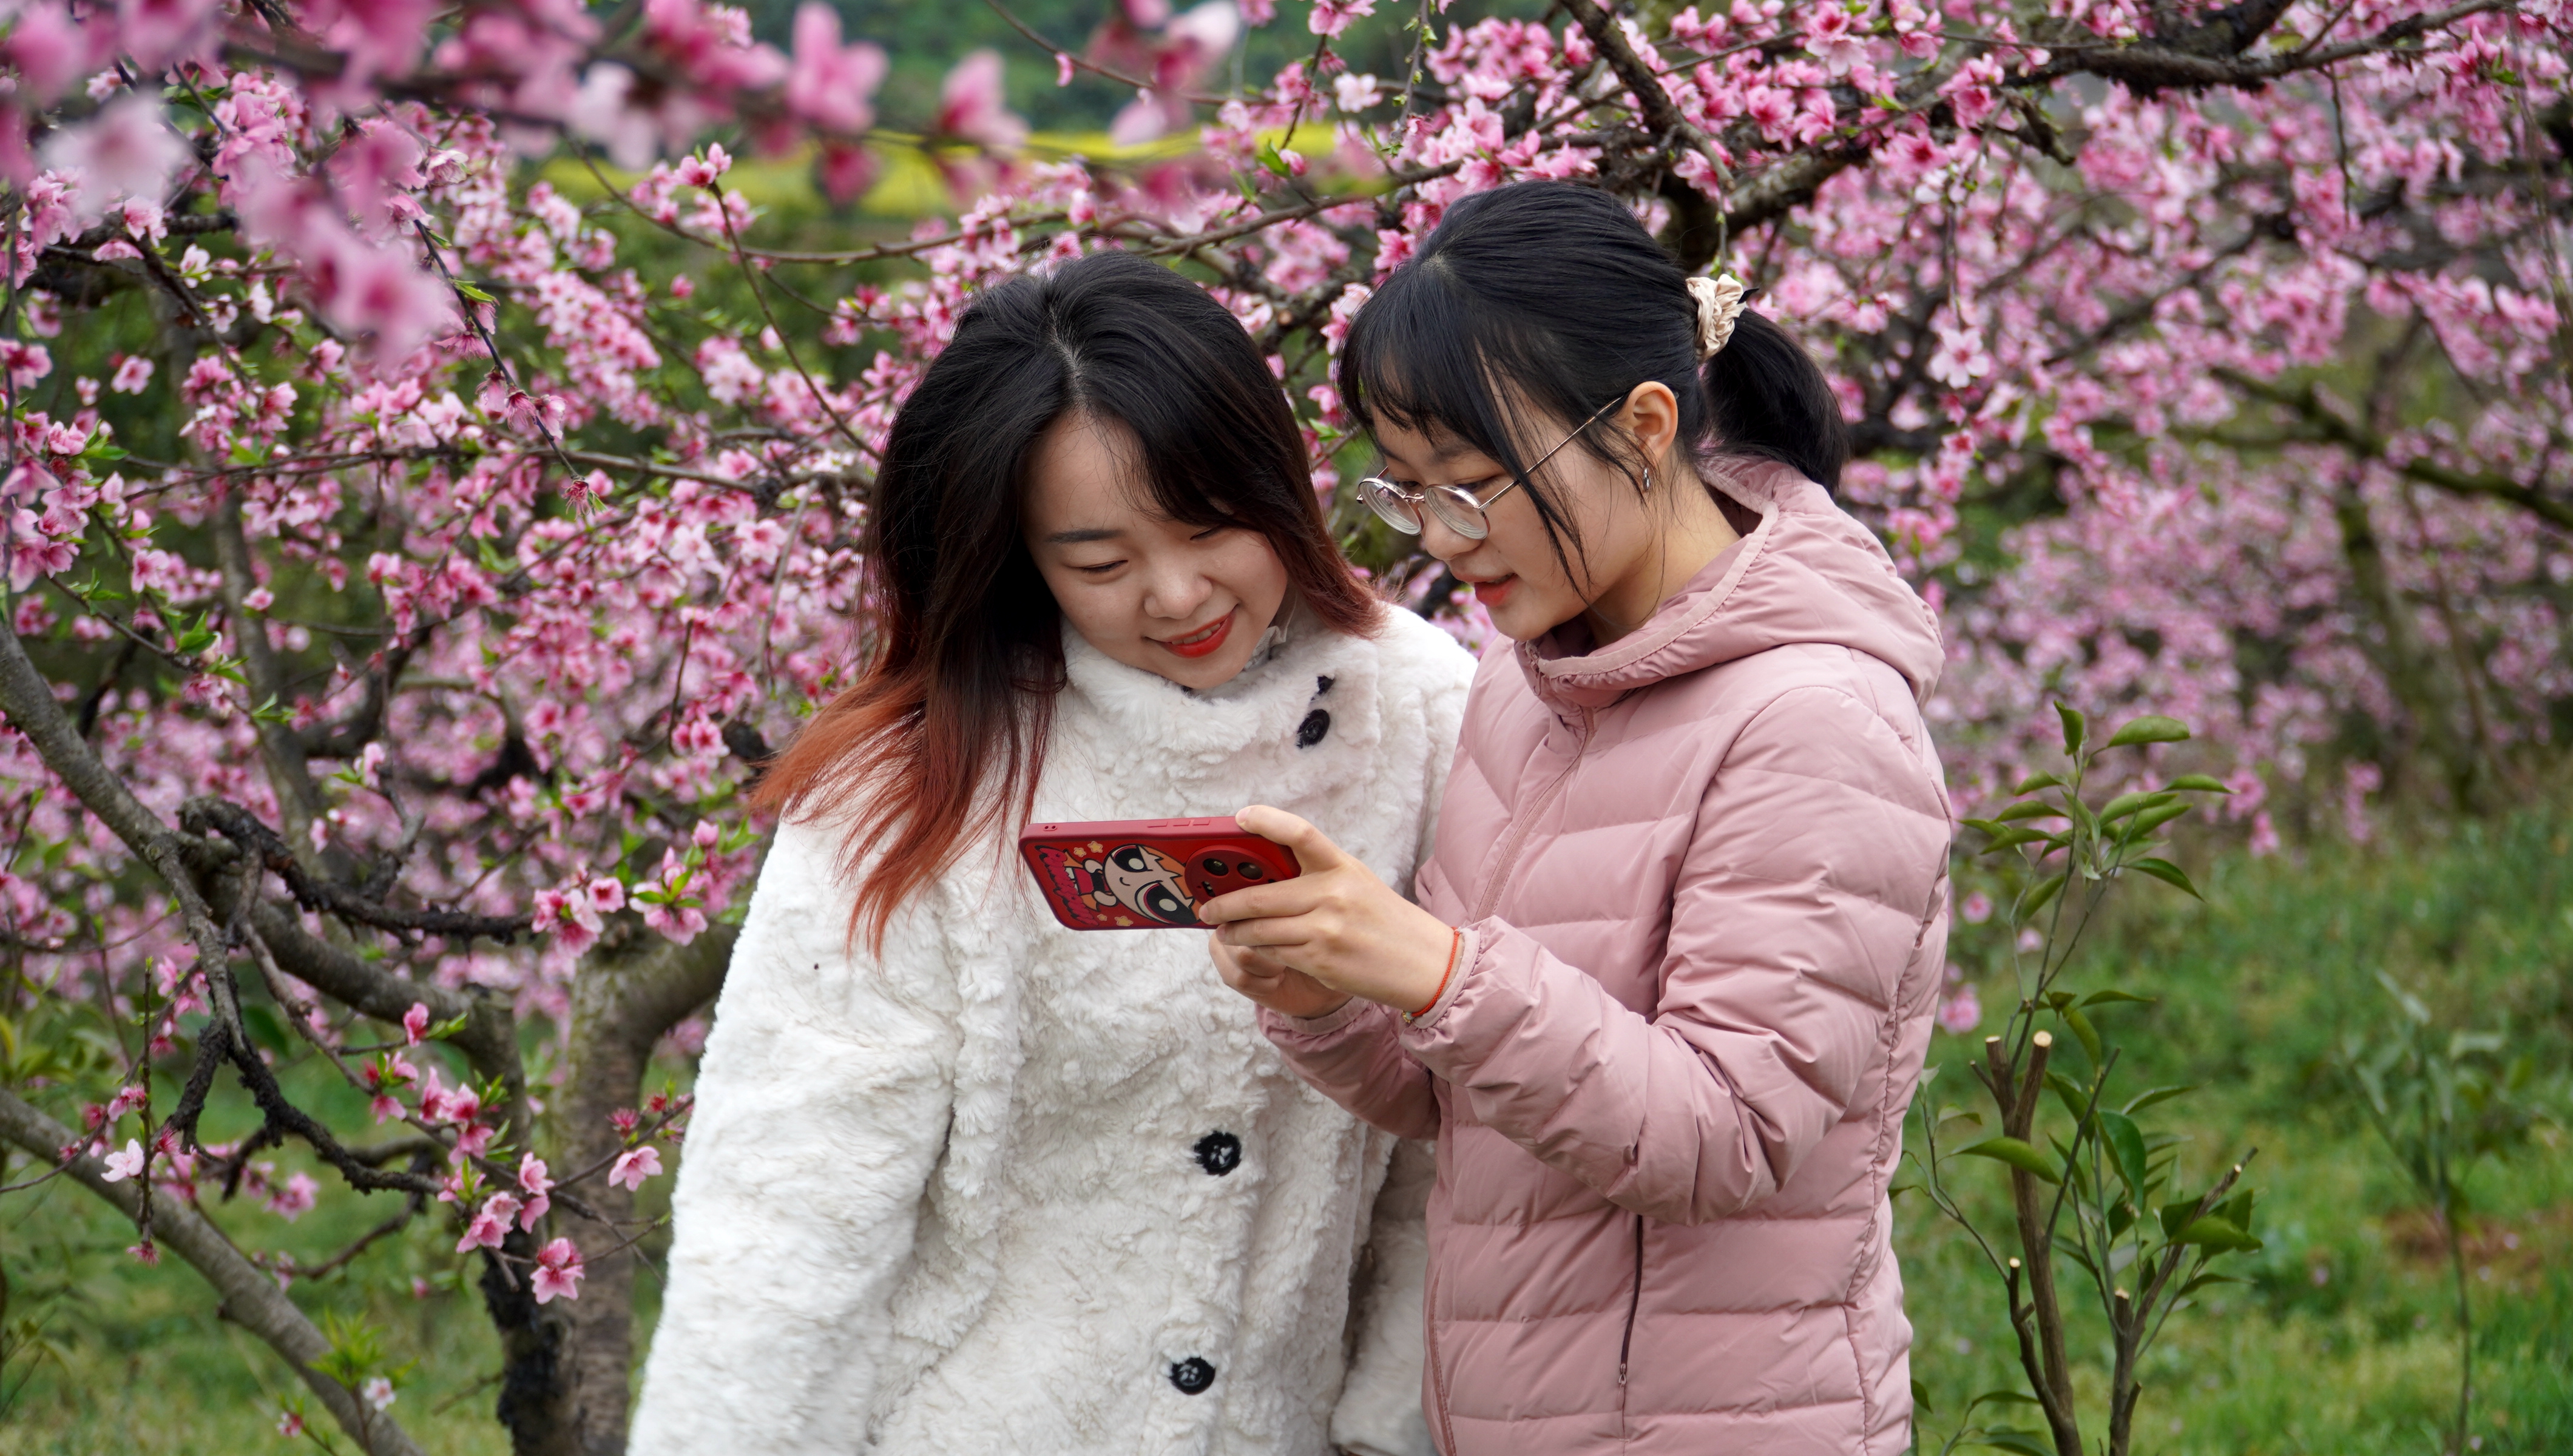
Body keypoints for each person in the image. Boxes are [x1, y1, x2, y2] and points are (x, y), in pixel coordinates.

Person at [632, 251, 1475, 1456]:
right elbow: (790, 1204)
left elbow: (1451, 1157)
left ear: (1276, 479)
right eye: (1099, 562)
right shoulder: (920, 780)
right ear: (1018, 555)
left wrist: (1386, 1426)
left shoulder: (1425, 716)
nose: (1177, 595)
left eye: (1208, 528)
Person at [1202, 180, 1955, 1455]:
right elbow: (1466, 1095)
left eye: (1472, 487)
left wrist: (1432, 966)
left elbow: (1727, 1137)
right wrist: (1323, 991)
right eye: (1407, 494)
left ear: (1644, 426)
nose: (1444, 541)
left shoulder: (1816, 722)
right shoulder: (1525, 680)